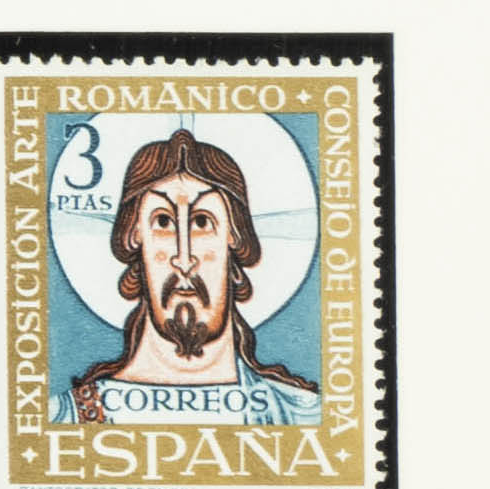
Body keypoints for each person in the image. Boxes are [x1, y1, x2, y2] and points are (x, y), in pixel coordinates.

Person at [69, 128, 316, 398]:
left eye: (201, 222)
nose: (184, 260)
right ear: (134, 236)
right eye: (163, 222)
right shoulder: (74, 413)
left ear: (235, 236)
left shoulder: (299, 410)